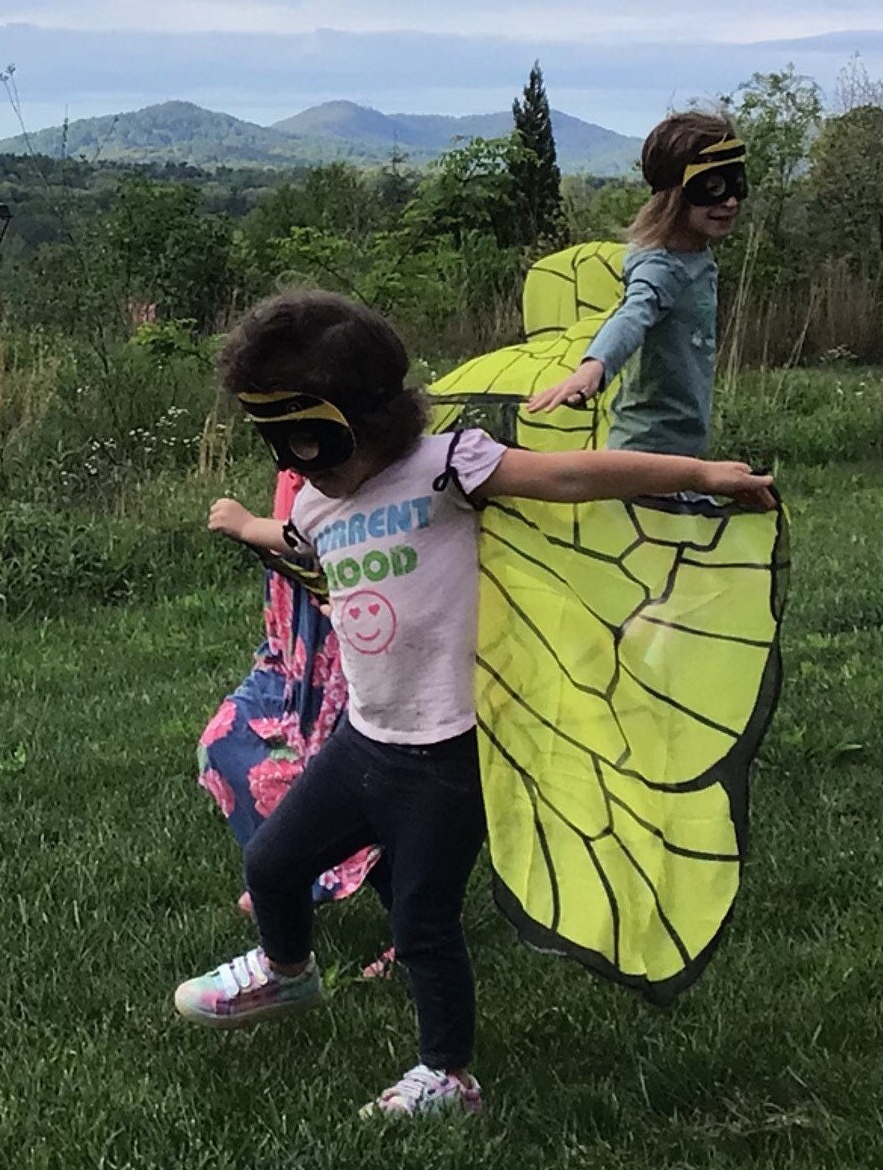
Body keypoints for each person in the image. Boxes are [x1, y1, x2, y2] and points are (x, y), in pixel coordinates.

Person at [176, 289, 776, 1119]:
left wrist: (700, 473)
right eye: (280, 445)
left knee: (423, 917)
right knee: (272, 862)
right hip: (364, 738)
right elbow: (313, 553)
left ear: (374, 415)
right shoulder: (315, 501)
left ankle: (447, 1074)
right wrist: (248, 524)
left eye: (309, 437)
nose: (302, 464)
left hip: (448, 754)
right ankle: (287, 972)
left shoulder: (451, 465)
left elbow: (572, 475)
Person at [198, 462, 385, 935]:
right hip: (293, 634)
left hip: (341, 629)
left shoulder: (348, 432)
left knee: (358, 782)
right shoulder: (294, 427)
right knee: (225, 739)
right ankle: (285, 873)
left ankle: (411, 926)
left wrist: (250, 527)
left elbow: (335, 521)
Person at [522, 111, 745, 453]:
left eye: (735, 183)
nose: (729, 201)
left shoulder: (695, 253)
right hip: (649, 448)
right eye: (713, 187)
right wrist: (593, 367)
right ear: (676, 193)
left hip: (682, 444)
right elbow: (634, 313)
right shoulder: (662, 266)